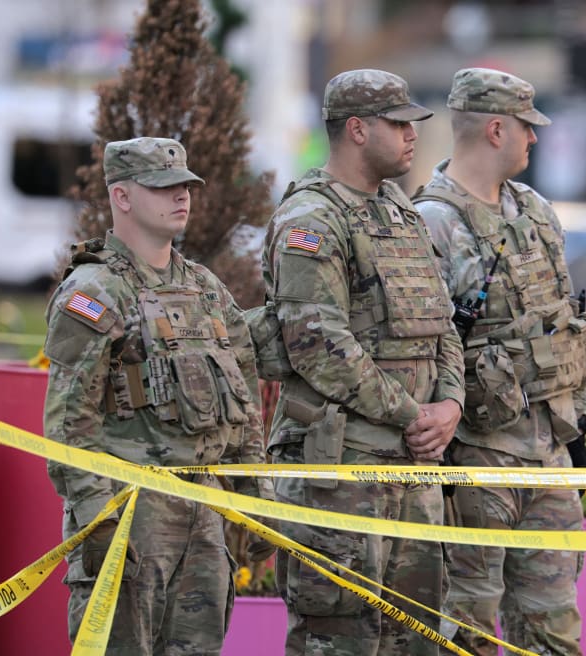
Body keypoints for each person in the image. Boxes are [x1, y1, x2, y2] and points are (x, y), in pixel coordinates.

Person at [260, 69, 465, 656]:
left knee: (415, 637)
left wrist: (450, 403)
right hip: (342, 470)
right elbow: (319, 346)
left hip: (412, 467)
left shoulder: (400, 212)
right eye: (398, 123)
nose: (412, 135)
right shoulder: (312, 220)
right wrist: (411, 413)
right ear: (356, 129)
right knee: (340, 636)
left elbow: (441, 320)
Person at [43, 137, 269, 654]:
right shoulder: (96, 291)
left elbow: (243, 399)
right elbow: (67, 423)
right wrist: (98, 518)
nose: (181, 197)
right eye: (163, 187)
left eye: (186, 186)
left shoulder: (205, 288)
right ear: (121, 197)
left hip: (203, 513)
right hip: (130, 516)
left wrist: (256, 495)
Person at [413, 68, 586, 656]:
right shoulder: (430, 223)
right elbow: (423, 350)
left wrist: (576, 438)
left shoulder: (537, 213)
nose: (535, 139)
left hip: (549, 458)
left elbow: (564, 322)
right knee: (465, 628)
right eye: (527, 127)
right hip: (476, 464)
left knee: (554, 626)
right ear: (496, 129)